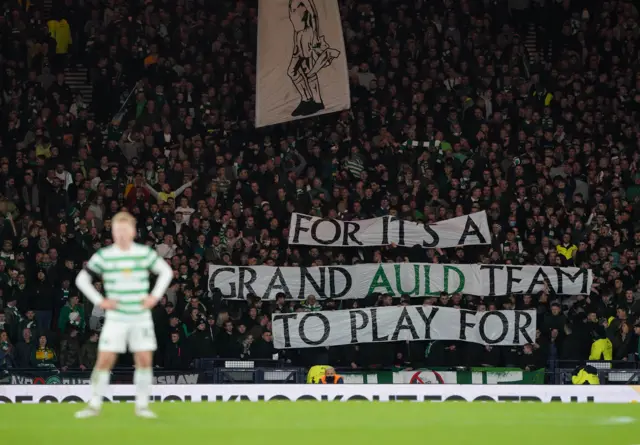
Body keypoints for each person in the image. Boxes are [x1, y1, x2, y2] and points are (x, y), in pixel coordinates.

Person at [74, 211, 173, 419]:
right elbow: (82, 279)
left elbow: (166, 272)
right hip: (116, 317)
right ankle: (94, 404)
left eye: (125, 229)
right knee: (104, 360)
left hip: (140, 316)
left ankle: (143, 406)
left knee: (144, 359)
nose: (121, 233)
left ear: (133, 231)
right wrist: (100, 301)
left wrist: (154, 297)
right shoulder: (104, 255)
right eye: (118, 230)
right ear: (113, 232)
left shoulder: (144, 253)